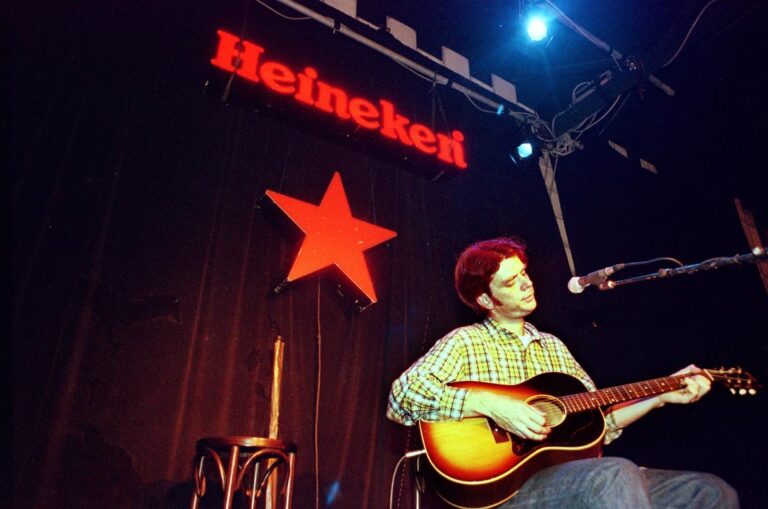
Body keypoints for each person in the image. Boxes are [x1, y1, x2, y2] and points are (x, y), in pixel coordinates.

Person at [387, 237, 738, 508]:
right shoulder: (466, 341)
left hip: (576, 476)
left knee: (709, 492)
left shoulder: (553, 346)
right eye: (511, 282)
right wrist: (493, 405)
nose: (527, 284)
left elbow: (603, 425)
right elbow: (402, 397)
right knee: (614, 474)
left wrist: (661, 397)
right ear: (486, 301)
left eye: (524, 273)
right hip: (509, 491)